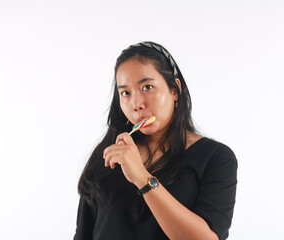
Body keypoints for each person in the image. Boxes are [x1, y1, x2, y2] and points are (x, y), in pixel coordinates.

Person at [73, 42, 238, 240]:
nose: (137, 104)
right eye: (126, 93)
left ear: (175, 90)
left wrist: (142, 177)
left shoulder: (215, 158)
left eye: (147, 87)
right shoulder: (111, 154)